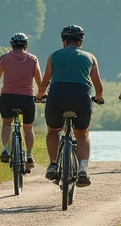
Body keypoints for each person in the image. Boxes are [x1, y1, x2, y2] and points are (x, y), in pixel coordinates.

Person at [36, 25, 106, 186]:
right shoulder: (90, 57)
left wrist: (40, 96)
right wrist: (99, 97)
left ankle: (53, 164)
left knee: (53, 131)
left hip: (57, 96)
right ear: (80, 42)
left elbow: (44, 83)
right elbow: (98, 86)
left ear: (64, 41)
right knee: (82, 134)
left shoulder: (54, 56)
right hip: (81, 97)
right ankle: (82, 168)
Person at [0, 32, 42, 171]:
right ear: (26, 45)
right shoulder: (33, 59)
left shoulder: (4, 58)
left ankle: (4, 150)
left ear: (11, 45)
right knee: (28, 127)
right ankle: (30, 155)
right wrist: (40, 95)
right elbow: (39, 81)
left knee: (7, 123)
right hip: (27, 98)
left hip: (8, 97)